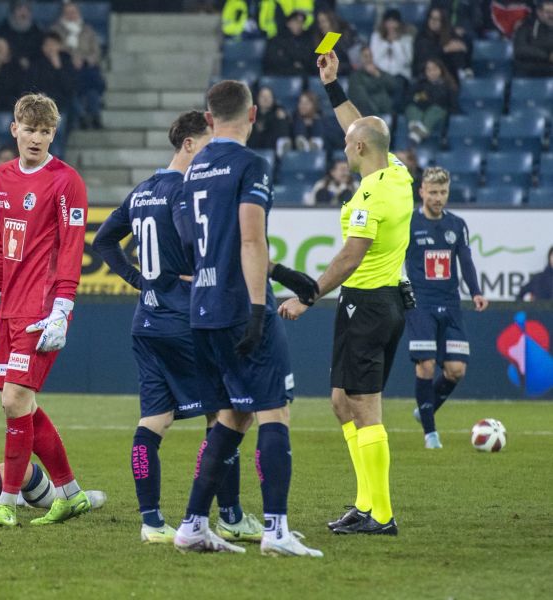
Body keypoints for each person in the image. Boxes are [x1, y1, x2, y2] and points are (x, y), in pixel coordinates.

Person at [172, 80, 322, 556]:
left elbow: (204, 244)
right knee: (274, 409)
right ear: (254, 115)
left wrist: (286, 273)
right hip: (240, 307)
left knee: (232, 417)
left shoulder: (194, 169)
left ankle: (193, 524)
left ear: (210, 119)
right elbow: (250, 240)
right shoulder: (250, 164)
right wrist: (260, 307)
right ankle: (276, 530)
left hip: (202, 308)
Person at [279, 50, 414, 536]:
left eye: (347, 145)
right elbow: (361, 126)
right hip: (376, 303)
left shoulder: (369, 198)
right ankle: (365, 503)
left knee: (364, 407)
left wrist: (306, 296)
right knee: (342, 400)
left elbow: (349, 258)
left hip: (370, 305)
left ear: (358, 151)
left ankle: (381, 514)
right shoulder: (396, 173)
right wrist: (333, 86)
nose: (343, 147)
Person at [0, 93, 91, 528]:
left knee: (15, 399)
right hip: (9, 307)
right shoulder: (3, 176)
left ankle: (7, 501)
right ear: (14, 130)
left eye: (45, 131)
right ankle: (72, 494)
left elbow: (73, 249)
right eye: (30, 129)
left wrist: (63, 309)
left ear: (53, 134)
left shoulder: (66, 181)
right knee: (17, 405)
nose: (37, 138)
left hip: (43, 309)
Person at [405, 166, 487, 449]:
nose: (439, 197)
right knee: (426, 365)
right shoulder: (409, 223)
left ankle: (424, 409)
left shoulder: (457, 225)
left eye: (443, 192)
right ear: (422, 192)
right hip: (420, 303)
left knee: (456, 370)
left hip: (450, 303)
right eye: (434, 192)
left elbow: (465, 261)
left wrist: (476, 292)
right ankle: (431, 434)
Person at [49, 1, 105, 130]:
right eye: (68, 13)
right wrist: (71, 57)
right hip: (65, 68)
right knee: (72, 85)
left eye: (73, 12)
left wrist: (85, 60)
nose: (71, 15)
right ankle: (81, 115)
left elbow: (96, 52)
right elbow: (54, 47)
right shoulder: (56, 30)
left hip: (86, 67)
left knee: (92, 84)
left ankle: (93, 115)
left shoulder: (88, 30)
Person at [404, 58, 458, 145]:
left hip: (438, 111)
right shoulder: (420, 83)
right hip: (420, 110)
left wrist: (426, 99)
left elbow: (449, 103)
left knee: (435, 110)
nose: (431, 72)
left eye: (434, 69)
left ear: (441, 70)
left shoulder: (448, 85)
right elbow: (410, 98)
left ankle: (418, 132)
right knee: (411, 108)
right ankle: (416, 129)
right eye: (428, 69)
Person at [512, 0, 553, 78]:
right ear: (539, 12)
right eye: (548, 12)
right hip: (529, 73)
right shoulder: (526, 26)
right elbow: (520, 49)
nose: (551, 15)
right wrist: (548, 56)